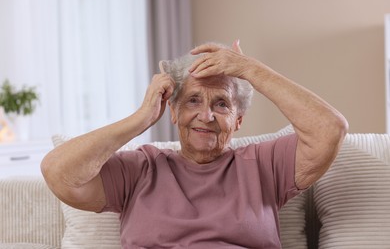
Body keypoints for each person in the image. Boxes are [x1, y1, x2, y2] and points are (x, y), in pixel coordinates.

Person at [41, 40, 348, 248]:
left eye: (222, 104)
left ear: (238, 120)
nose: (206, 115)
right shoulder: (141, 168)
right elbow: (58, 172)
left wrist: (250, 69)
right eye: (192, 100)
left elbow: (330, 129)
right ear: (173, 111)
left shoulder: (263, 164)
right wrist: (140, 119)